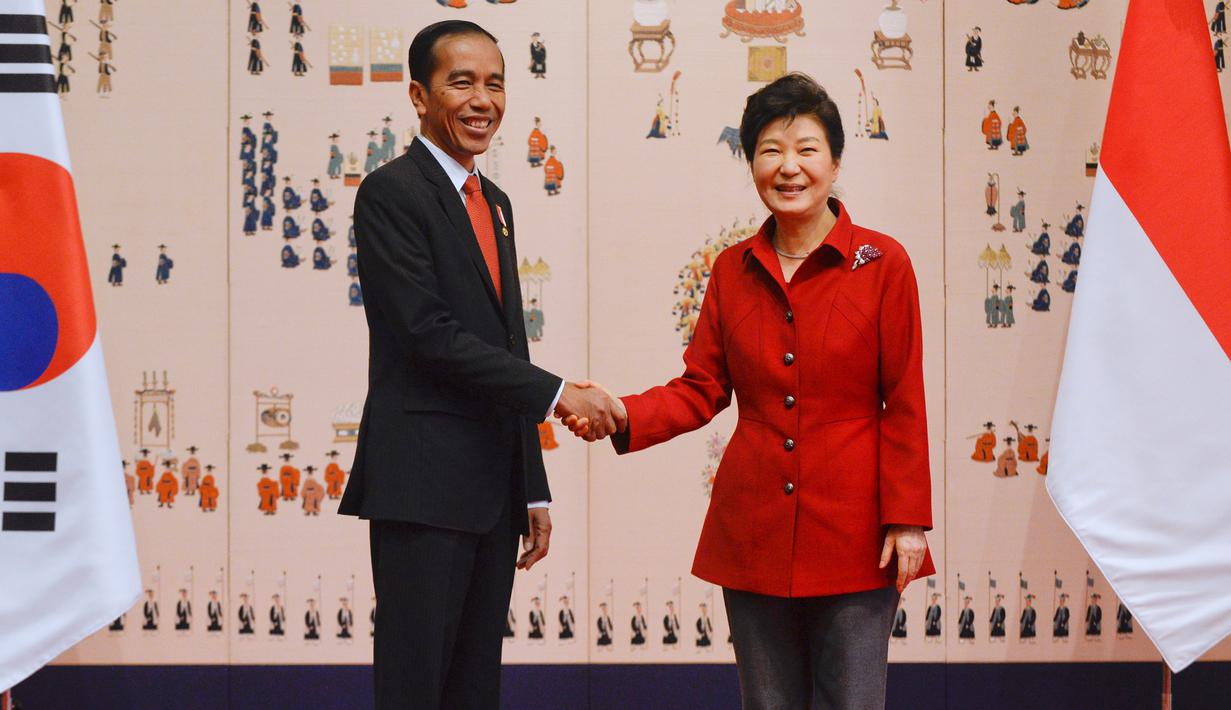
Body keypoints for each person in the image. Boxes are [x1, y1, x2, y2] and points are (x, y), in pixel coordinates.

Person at [565, 73, 933, 709]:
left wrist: (907, 521)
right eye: (770, 150)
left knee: (853, 701)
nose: (789, 168)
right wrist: (624, 413)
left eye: (807, 150)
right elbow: (701, 387)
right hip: (753, 530)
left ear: (836, 161)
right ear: (751, 162)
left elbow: (902, 398)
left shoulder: (884, 263)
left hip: (856, 530)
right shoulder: (732, 270)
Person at [337, 21, 622, 710]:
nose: (481, 99)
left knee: (474, 689)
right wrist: (559, 395)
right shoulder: (390, 193)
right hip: (423, 488)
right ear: (417, 94)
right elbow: (425, 335)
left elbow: (504, 349)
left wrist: (532, 485)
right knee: (416, 686)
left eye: (494, 83)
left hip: (493, 493)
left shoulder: (494, 203)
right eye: (460, 82)